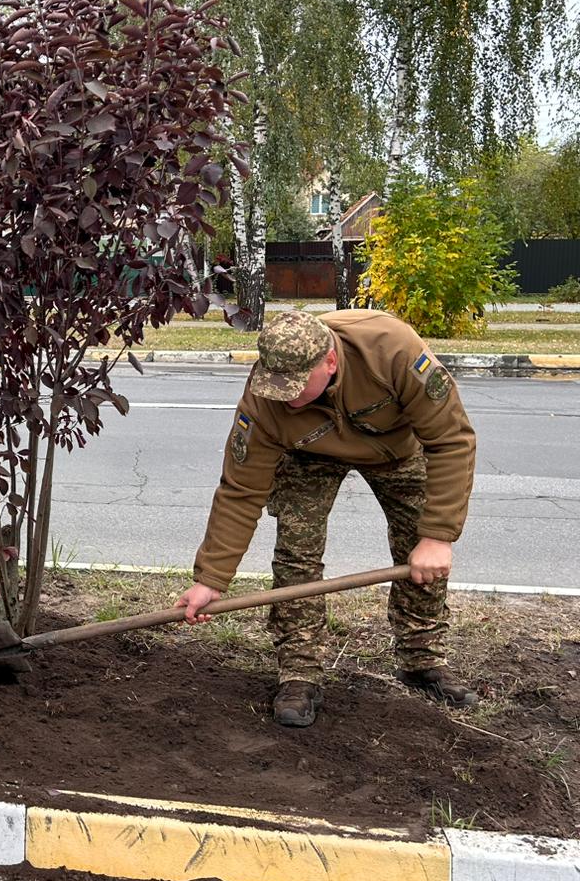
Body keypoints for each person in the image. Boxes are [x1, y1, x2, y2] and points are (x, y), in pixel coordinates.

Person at [175, 309, 479, 728]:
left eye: (297, 385)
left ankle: (421, 657)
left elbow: (451, 440)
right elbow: (241, 490)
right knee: (296, 555)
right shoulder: (265, 400)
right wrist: (211, 578)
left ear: (330, 362)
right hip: (308, 455)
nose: (287, 396)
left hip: (396, 449)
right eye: (278, 386)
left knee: (420, 549)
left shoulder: (392, 349)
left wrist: (438, 536)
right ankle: (299, 671)